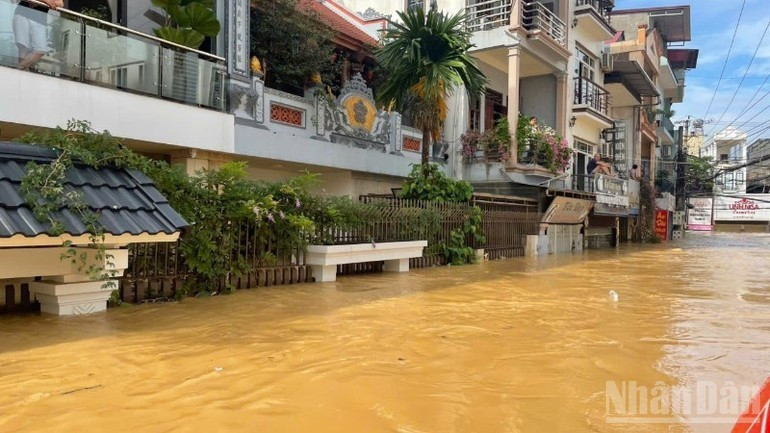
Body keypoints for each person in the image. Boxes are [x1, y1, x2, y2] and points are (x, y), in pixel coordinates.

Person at [13, 0, 61, 70]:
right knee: (23, 48)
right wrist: (47, 1)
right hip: (23, 14)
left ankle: (18, 68)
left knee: (40, 50)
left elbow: (60, 3)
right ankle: (21, 72)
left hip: (40, 20)